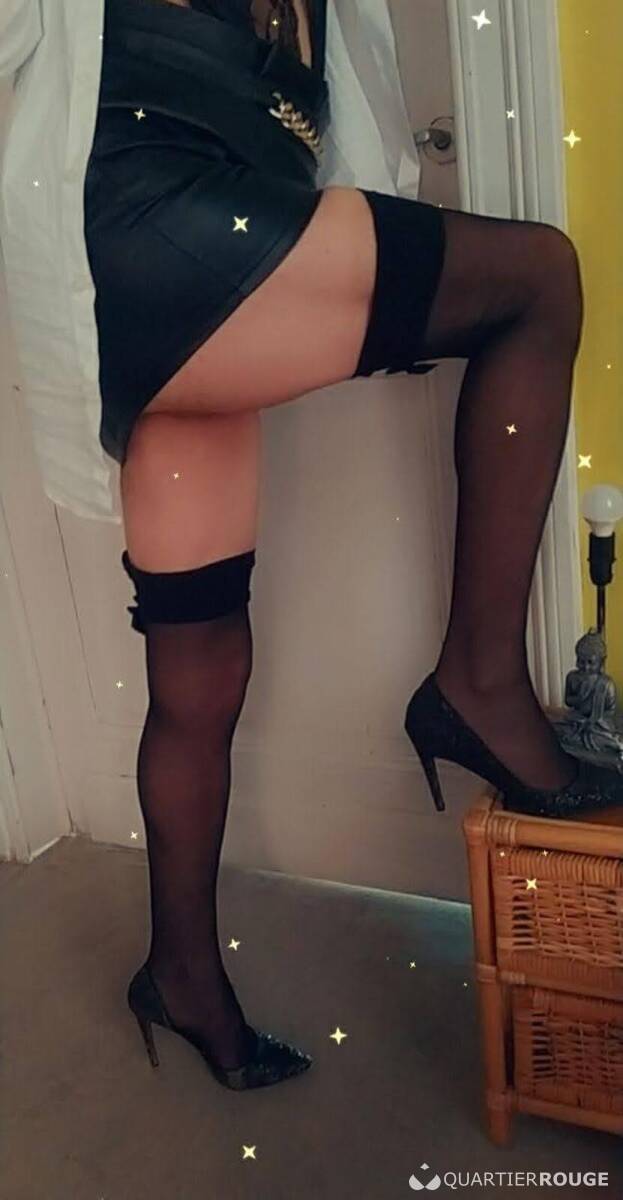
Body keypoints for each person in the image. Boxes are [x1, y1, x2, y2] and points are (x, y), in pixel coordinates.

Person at [2, 0, 622, 1094]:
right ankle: (478, 684)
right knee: (535, 281)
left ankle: (181, 975)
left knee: (199, 667)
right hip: (159, 217)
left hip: (190, 253)